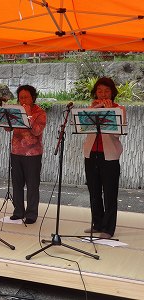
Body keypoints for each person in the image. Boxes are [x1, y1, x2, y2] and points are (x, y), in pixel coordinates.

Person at [83, 77, 126, 239]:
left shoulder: (119, 109)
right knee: (94, 191)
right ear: (95, 92)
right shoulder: (90, 108)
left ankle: (108, 228)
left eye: (106, 91)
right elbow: (85, 129)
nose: (102, 94)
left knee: (109, 192)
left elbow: (118, 133)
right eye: (99, 91)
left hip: (110, 156)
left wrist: (110, 113)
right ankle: (98, 224)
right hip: (90, 153)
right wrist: (93, 110)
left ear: (112, 92)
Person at [9, 85, 46, 224]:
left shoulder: (40, 112)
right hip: (16, 151)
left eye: (26, 97)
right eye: (21, 97)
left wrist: (29, 115)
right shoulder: (17, 110)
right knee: (17, 183)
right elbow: (7, 127)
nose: (23, 100)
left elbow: (36, 131)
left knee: (32, 184)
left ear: (33, 97)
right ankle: (18, 211)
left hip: (33, 153)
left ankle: (31, 213)